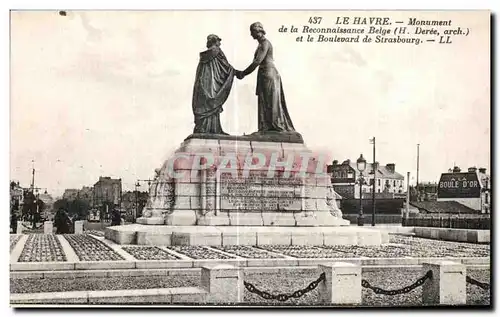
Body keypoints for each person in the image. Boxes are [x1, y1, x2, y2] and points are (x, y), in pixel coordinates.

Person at [236, 22, 296, 133]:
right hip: (265, 75)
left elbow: (257, 61)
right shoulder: (261, 44)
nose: (250, 34)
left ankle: (274, 126)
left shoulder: (265, 43)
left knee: (271, 101)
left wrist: (243, 73)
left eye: (252, 31)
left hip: (269, 74)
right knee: (265, 101)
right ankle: (267, 127)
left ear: (257, 31)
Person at [192, 34, 236, 134]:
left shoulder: (205, 55)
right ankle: (213, 129)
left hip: (204, 82)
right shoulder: (217, 51)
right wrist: (235, 72)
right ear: (215, 41)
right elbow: (225, 66)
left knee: (206, 103)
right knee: (213, 103)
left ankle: (205, 128)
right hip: (212, 83)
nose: (219, 43)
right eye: (218, 41)